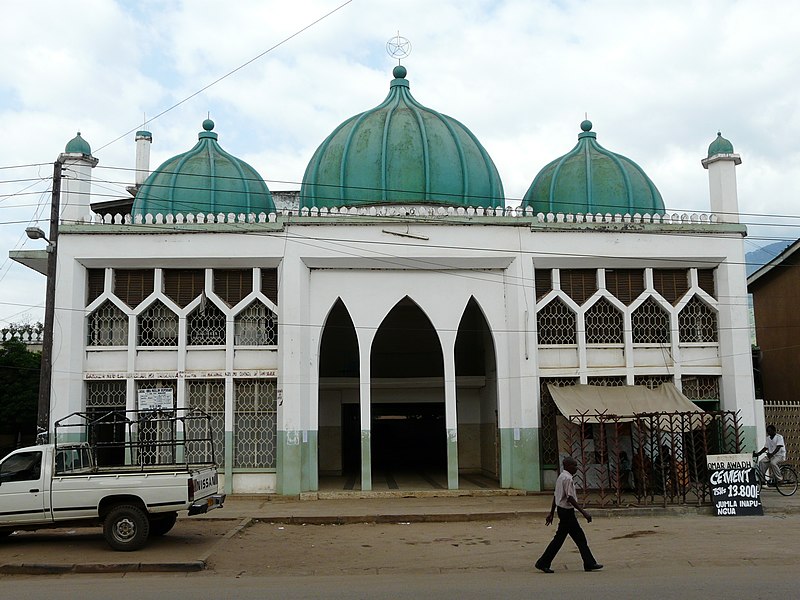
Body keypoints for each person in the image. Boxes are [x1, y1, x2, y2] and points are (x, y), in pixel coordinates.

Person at [535, 456, 603, 574]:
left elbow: (556, 496)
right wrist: (584, 512)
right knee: (562, 539)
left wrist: (552, 512)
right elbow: (570, 498)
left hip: (563, 511)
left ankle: (589, 562)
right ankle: (543, 562)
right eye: (574, 465)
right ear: (567, 466)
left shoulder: (561, 477)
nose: (576, 468)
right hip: (567, 513)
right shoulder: (567, 479)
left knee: (577, 538)